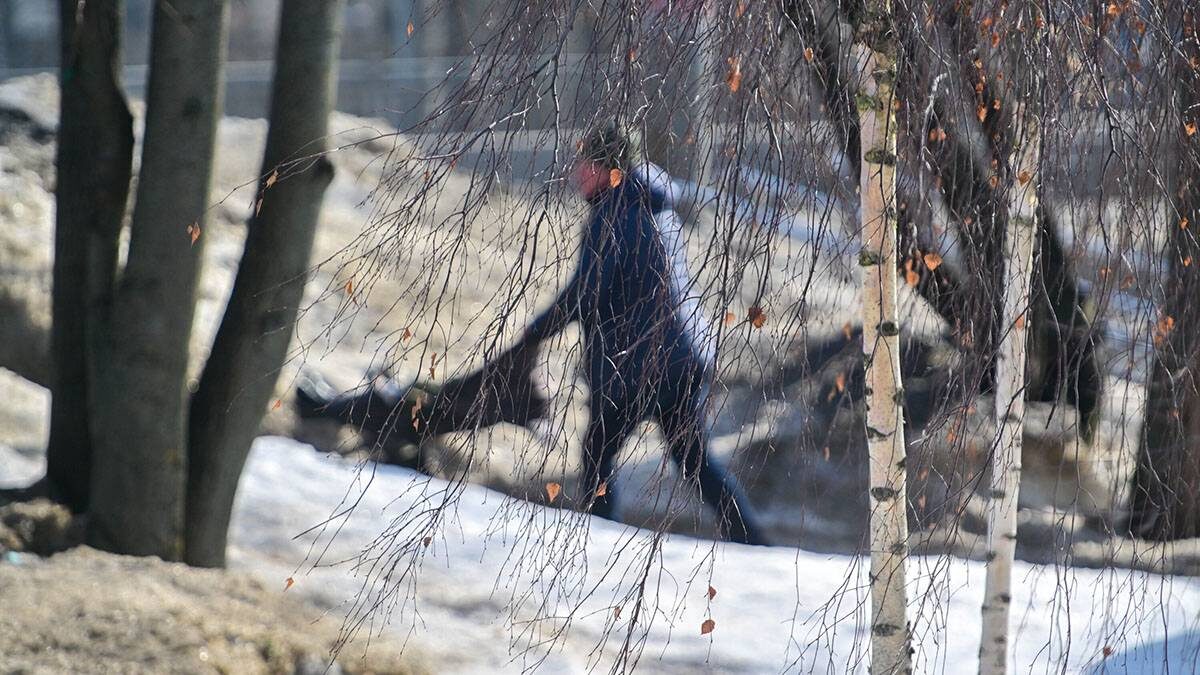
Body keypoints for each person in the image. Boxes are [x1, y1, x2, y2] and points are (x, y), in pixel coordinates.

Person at [298, 120, 767, 545]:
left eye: (584, 164)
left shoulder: (614, 217)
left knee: (598, 456)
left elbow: (586, 292)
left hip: (638, 363)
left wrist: (535, 332)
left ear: (607, 169)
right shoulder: (651, 209)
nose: (576, 173)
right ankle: (752, 541)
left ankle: (600, 541)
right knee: (695, 462)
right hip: (683, 359)